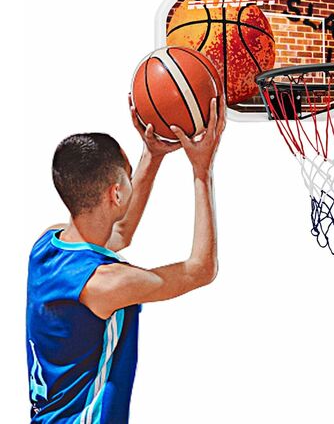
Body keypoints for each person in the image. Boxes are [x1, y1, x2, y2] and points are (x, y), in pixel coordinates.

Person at [26, 95, 225, 423]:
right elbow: (201, 269)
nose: (132, 180)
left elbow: (119, 233)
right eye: (128, 175)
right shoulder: (109, 284)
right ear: (116, 193)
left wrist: (153, 154)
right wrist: (202, 170)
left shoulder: (46, 245)